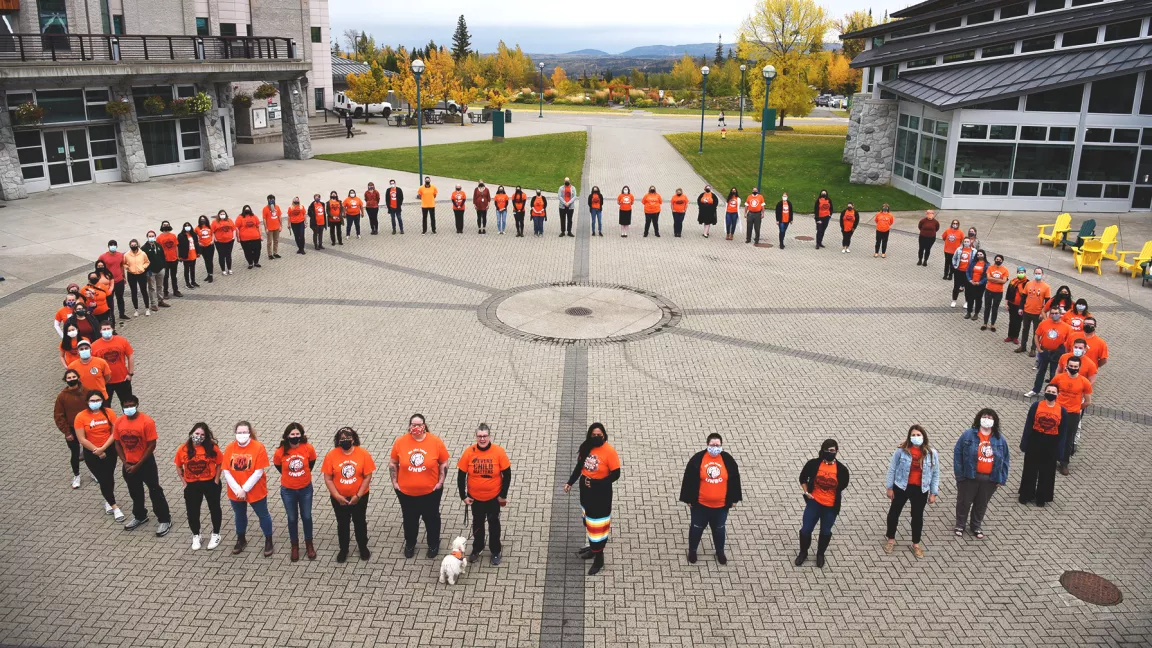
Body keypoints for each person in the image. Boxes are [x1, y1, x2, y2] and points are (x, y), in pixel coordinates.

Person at [564, 423, 621, 576]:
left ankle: (599, 558)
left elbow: (616, 474)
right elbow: (579, 467)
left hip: (601, 493)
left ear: (604, 435)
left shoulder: (609, 452)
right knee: (589, 521)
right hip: (586, 490)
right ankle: (593, 548)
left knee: (598, 526)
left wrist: (596, 483)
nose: (596, 437)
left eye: (599, 435)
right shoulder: (586, 447)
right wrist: (570, 482)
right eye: (593, 435)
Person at [390, 414, 449, 558]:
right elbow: (393, 463)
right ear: (410, 425)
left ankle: (433, 544)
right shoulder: (400, 442)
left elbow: (444, 463)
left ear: (424, 425)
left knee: (432, 519)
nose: (416, 428)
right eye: (413, 424)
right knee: (409, 520)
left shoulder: (435, 441)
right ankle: (410, 543)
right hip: (406, 493)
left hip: (431, 493)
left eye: (419, 424)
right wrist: (395, 483)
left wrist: (440, 482)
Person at [678, 432, 741, 565]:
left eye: (717, 445)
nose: (715, 447)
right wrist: (689, 499)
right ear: (707, 445)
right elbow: (689, 480)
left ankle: (720, 551)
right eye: (712, 444)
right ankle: (693, 551)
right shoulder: (698, 459)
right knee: (696, 528)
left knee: (719, 529)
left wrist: (734, 500)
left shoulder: (728, 460)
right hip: (700, 506)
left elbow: (735, 480)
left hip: (721, 507)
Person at [113, 394, 171, 535]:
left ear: (137, 404)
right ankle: (140, 515)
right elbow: (117, 443)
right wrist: (125, 462)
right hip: (128, 464)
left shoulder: (147, 421)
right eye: (125, 406)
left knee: (155, 490)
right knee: (135, 492)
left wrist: (138, 464)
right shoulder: (119, 422)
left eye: (131, 405)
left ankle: (164, 519)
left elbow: (151, 445)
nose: (128, 408)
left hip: (146, 464)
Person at [457, 423, 512, 565]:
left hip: (493, 498)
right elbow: (461, 475)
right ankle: (477, 548)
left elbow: (507, 474)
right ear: (476, 436)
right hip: (475, 498)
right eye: (479, 436)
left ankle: (495, 550)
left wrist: (503, 495)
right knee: (478, 524)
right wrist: (463, 496)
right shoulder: (469, 452)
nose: (482, 439)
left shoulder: (498, 452)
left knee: (494, 524)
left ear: (489, 436)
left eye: (485, 436)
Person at [953, 409, 1009, 539]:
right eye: (985, 417)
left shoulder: (1000, 439)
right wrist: (960, 475)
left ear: (994, 421)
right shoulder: (968, 435)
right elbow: (958, 454)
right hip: (970, 476)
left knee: (981, 504)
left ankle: (976, 526)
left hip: (990, 479)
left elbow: (1005, 460)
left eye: (990, 417)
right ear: (979, 418)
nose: (987, 419)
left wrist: (1002, 479)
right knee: (964, 502)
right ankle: (960, 524)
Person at [884, 425, 939, 558]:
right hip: (902, 487)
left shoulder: (931, 453)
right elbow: (892, 469)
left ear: (923, 437)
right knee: (893, 514)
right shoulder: (901, 451)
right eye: (913, 435)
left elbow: (935, 473)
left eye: (918, 435)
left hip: (920, 489)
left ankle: (916, 544)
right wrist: (889, 488)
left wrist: (933, 492)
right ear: (909, 436)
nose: (916, 437)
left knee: (917, 517)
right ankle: (890, 539)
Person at [323, 426, 376, 562]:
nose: (345, 441)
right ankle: (344, 549)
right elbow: (328, 478)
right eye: (342, 439)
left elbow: (367, 476)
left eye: (348, 438)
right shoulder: (331, 455)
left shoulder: (363, 454)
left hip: (359, 497)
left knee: (360, 522)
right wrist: (337, 496)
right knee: (342, 523)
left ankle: (363, 547)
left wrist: (358, 495)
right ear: (338, 441)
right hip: (339, 498)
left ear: (353, 439)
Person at [222, 422, 274, 556]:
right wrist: (237, 489)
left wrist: (244, 489)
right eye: (239, 432)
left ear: (250, 432)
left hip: (255, 490)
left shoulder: (258, 447)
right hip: (236, 492)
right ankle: (241, 538)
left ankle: (268, 539)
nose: (242, 435)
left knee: (263, 515)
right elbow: (226, 471)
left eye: (244, 432)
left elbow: (258, 471)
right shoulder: (229, 448)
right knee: (239, 515)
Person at [796, 439, 849, 568]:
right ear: (823, 451)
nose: (832, 453)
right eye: (829, 450)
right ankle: (803, 552)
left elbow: (843, 485)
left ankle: (820, 554)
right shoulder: (814, 464)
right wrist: (806, 491)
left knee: (825, 531)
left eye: (834, 450)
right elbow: (802, 477)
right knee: (805, 530)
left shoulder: (841, 470)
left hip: (830, 507)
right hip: (814, 503)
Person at [75, 390, 124, 520]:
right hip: (91, 453)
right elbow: (82, 439)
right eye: (92, 401)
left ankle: (108, 500)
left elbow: (114, 433)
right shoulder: (81, 417)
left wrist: (103, 448)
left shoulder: (109, 413)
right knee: (103, 478)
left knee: (109, 476)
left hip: (109, 450)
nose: (95, 403)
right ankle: (114, 506)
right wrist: (96, 450)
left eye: (98, 400)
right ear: (87, 402)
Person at [175, 423, 224, 551]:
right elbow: (178, 466)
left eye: (202, 435)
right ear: (192, 433)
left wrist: (216, 480)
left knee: (214, 508)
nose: (199, 437)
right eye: (197, 434)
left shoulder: (211, 448)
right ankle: (196, 535)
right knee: (192, 511)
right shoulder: (183, 449)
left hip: (210, 483)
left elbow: (219, 463)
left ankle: (216, 534)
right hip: (192, 485)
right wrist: (184, 483)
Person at [272, 422, 317, 562]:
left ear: (301, 435)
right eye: (292, 434)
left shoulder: (308, 448)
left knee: (307, 517)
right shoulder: (280, 451)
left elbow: (311, 464)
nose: (295, 436)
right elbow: (278, 466)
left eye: (297, 434)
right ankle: (295, 545)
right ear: (287, 436)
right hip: (288, 491)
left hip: (305, 490)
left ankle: (309, 544)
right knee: (292, 518)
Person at [1018, 383, 1068, 506]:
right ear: (1045, 392)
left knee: (1047, 471)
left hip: (1051, 442)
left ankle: (1042, 497)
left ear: (1057, 394)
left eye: (1053, 392)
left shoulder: (1062, 411)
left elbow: (1063, 433)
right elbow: (1028, 425)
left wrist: (1060, 451)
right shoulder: (1036, 406)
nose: (1050, 394)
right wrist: (1024, 443)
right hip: (1035, 439)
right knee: (1030, 469)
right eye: (1049, 391)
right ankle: (1026, 494)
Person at [1049, 356, 1092, 475]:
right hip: (1057, 412)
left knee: (1068, 439)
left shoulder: (1084, 382)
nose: (1073, 368)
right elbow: (1050, 391)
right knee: (1052, 435)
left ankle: (1064, 463)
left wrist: (1077, 408)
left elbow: (1088, 401)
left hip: (1073, 415)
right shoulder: (1058, 378)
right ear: (1066, 366)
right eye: (1071, 366)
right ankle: (1050, 459)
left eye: (1075, 367)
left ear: (1079, 367)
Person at [54, 369, 90, 489]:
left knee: (90, 452)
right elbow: (59, 416)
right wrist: (66, 432)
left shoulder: (87, 392)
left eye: (73, 377)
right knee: (75, 453)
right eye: (69, 378)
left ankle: (94, 472)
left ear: (78, 377)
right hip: (71, 429)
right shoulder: (62, 396)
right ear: (65, 380)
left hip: (88, 428)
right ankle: (76, 475)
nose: (71, 379)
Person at [1026, 307, 1072, 397]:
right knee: (1040, 372)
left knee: (1054, 374)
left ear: (1060, 314)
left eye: (1056, 313)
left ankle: (1053, 392)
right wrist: (1039, 349)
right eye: (1052, 313)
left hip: (1057, 353)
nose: (1054, 315)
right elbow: (1036, 335)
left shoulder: (1067, 327)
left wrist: (1065, 354)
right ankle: (1035, 390)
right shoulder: (1044, 323)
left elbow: (1069, 342)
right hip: (1045, 351)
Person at [92, 321, 133, 407]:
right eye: (104, 329)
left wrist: (130, 373)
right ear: (100, 331)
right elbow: (92, 364)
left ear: (112, 329)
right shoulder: (94, 346)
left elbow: (130, 356)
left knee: (127, 404)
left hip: (123, 379)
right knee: (105, 406)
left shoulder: (122, 341)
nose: (106, 330)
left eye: (108, 328)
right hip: (105, 382)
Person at [97, 240, 129, 322]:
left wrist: (124, 277)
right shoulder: (103, 257)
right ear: (108, 246)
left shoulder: (120, 255)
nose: (113, 246)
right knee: (110, 301)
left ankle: (122, 313)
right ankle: (111, 316)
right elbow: (99, 268)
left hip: (119, 280)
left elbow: (121, 266)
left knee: (120, 298)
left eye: (114, 245)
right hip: (109, 282)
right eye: (111, 245)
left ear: (117, 246)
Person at [981, 254, 1010, 332]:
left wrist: (993, 279)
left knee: (995, 308)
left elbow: (1004, 281)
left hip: (998, 292)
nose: (998, 261)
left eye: (1000, 260)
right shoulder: (990, 268)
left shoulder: (1005, 270)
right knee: (987, 307)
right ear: (994, 260)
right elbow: (988, 278)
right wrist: (999, 280)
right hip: (988, 290)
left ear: (1002, 261)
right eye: (997, 259)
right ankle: (985, 323)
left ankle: (992, 324)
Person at [123, 239, 150, 316]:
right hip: (131, 274)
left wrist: (143, 267)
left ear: (137, 245)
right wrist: (127, 267)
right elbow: (124, 263)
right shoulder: (126, 255)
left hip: (141, 274)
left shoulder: (142, 253)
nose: (133, 246)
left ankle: (147, 308)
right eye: (132, 245)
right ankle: (136, 309)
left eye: (135, 245)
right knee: (133, 292)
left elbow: (147, 262)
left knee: (144, 291)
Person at [156, 221, 182, 299]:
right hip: (165, 261)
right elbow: (158, 250)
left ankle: (175, 290)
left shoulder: (173, 236)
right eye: (164, 225)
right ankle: (165, 292)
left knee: (174, 276)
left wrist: (178, 256)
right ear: (162, 226)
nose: (166, 226)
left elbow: (176, 246)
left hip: (174, 259)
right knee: (165, 277)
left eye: (167, 225)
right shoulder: (159, 238)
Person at [1004, 266, 1029, 345]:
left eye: (1022, 272)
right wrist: (1006, 303)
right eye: (1019, 272)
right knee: (1012, 320)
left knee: (1018, 322)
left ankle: (1015, 337)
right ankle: (1010, 336)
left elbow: (1026, 294)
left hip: (1021, 306)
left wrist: (1020, 287)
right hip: (1012, 304)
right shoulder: (1013, 281)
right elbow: (1008, 293)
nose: (1020, 274)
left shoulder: (1028, 283)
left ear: (1024, 273)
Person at [963, 250, 989, 320]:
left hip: (980, 285)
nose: (979, 256)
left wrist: (980, 282)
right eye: (978, 255)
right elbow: (967, 271)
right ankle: (969, 312)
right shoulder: (973, 262)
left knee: (978, 299)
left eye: (981, 254)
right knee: (969, 298)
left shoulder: (987, 265)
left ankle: (976, 313)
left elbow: (987, 276)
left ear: (984, 255)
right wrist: (970, 280)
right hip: (971, 284)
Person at [950, 238, 975, 308]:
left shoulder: (974, 251)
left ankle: (967, 301)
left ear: (970, 242)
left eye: (968, 241)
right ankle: (954, 300)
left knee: (967, 288)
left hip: (968, 273)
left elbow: (975, 261)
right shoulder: (959, 249)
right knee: (956, 286)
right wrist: (955, 265)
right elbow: (954, 258)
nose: (966, 243)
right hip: (959, 271)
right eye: (965, 241)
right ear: (963, 242)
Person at [210, 211, 236, 276]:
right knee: (221, 256)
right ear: (218, 215)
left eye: (223, 214)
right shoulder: (214, 222)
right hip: (219, 242)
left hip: (229, 241)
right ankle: (223, 270)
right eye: (221, 214)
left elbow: (234, 229)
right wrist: (215, 239)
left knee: (228, 255)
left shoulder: (229, 221)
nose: (222, 215)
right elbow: (212, 231)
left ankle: (229, 269)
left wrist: (233, 237)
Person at [178, 222, 199, 289]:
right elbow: (179, 246)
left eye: (188, 226)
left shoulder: (193, 234)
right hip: (186, 255)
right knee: (186, 270)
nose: (187, 227)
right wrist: (180, 256)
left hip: (193, 254)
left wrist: (198, 252)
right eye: (186, 226)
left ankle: (193, 281)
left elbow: (196, 243)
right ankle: (187, 283)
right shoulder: (181, 235)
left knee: (192, 269)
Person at [194, 215, 215, 283]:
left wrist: (212, 240)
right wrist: (197, 242)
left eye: (204, 219)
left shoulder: (210, 226)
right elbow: (194, 236)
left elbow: (213, 233)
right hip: (202, 246)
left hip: (210, 246)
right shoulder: (197, 228)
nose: (203, 221)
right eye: (201, 219)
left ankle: (211, 275)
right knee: (206, 261)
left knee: (210, 260)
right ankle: (208, 274)